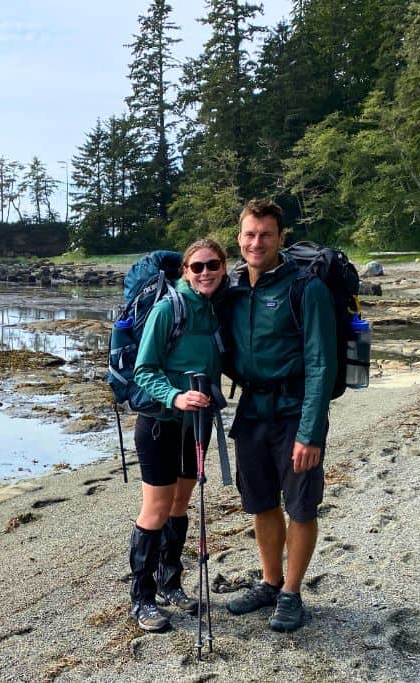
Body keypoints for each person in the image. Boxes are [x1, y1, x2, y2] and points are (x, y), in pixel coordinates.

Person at [222, 199, 337, 632]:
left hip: (295, 413)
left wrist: (310, 432)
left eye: (265, 235)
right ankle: (270, 583)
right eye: (249, 235)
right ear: (239, 238)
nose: (257, 242)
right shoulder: (234, 291)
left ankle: (291, 593)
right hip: (252, 411)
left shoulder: (306, 289)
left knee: (302, 507)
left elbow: (320, 363)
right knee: (261, 502)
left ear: (280, 238)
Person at [127, 238, 228, 632]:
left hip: (195, 425)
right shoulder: (170, 309)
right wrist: (175, 395)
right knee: (155, 509)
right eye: (197, 267)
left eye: (213, 265)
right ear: (185, 271)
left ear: (223, 268)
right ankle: (141, 599)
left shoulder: (213, 311)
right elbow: (144, 370)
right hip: (159, 423)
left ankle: (171, 584)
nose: (205, 273)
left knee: (180, 505)